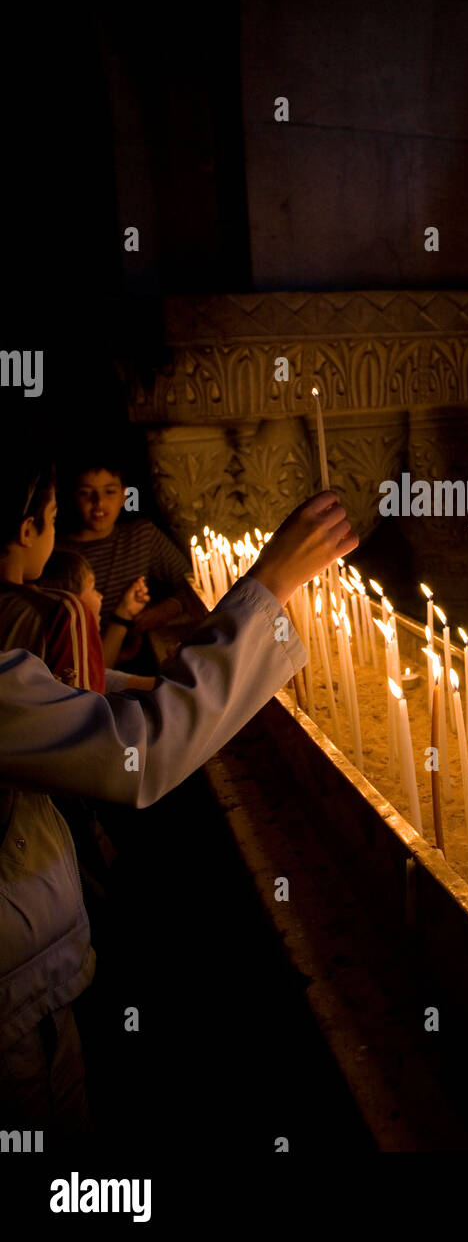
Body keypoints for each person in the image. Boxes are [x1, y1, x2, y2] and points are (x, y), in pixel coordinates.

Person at [0, 483, 357, 1135]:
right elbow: (140, 752)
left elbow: (47, 697)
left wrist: (135, 682)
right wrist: (270, 582)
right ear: (25, 531)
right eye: (57, 514)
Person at [59, 459, 191, 642]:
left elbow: (191, 582)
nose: (99, 502)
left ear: (124, 496)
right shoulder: (60, 555)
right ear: (74, 497)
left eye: (109, 492)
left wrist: (167, 609)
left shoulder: (142, 535)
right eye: (86, 493)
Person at [39, 547, 151, 672]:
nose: (100, 596)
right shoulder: (65, 668)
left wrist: (124, 612)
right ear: (71, 600)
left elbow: (101, 669)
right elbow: (99, 675)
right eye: (92, 588)